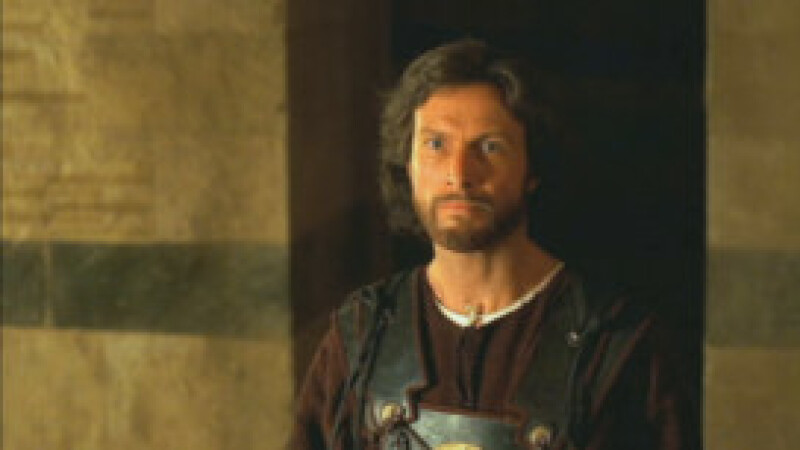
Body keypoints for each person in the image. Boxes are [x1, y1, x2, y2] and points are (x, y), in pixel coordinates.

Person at [291, 39, 695, 450]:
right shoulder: (363, 335)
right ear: (407, 165)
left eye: (489, 146)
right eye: (435, 144)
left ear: (532, 168)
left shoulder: (617, 347)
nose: (459, 173)